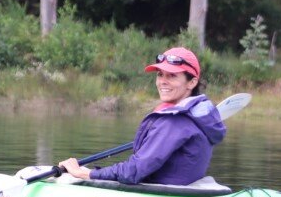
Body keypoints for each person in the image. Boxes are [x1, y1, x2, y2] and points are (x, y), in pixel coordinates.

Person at [57, 47, 226, 185]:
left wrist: (84, 173)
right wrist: (93, 172)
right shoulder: (196, 115)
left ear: (192, 82)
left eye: (172, 76)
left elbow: (133, 171)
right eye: (160, 74)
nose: (162, 81)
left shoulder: (175, 121)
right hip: (173, 188)